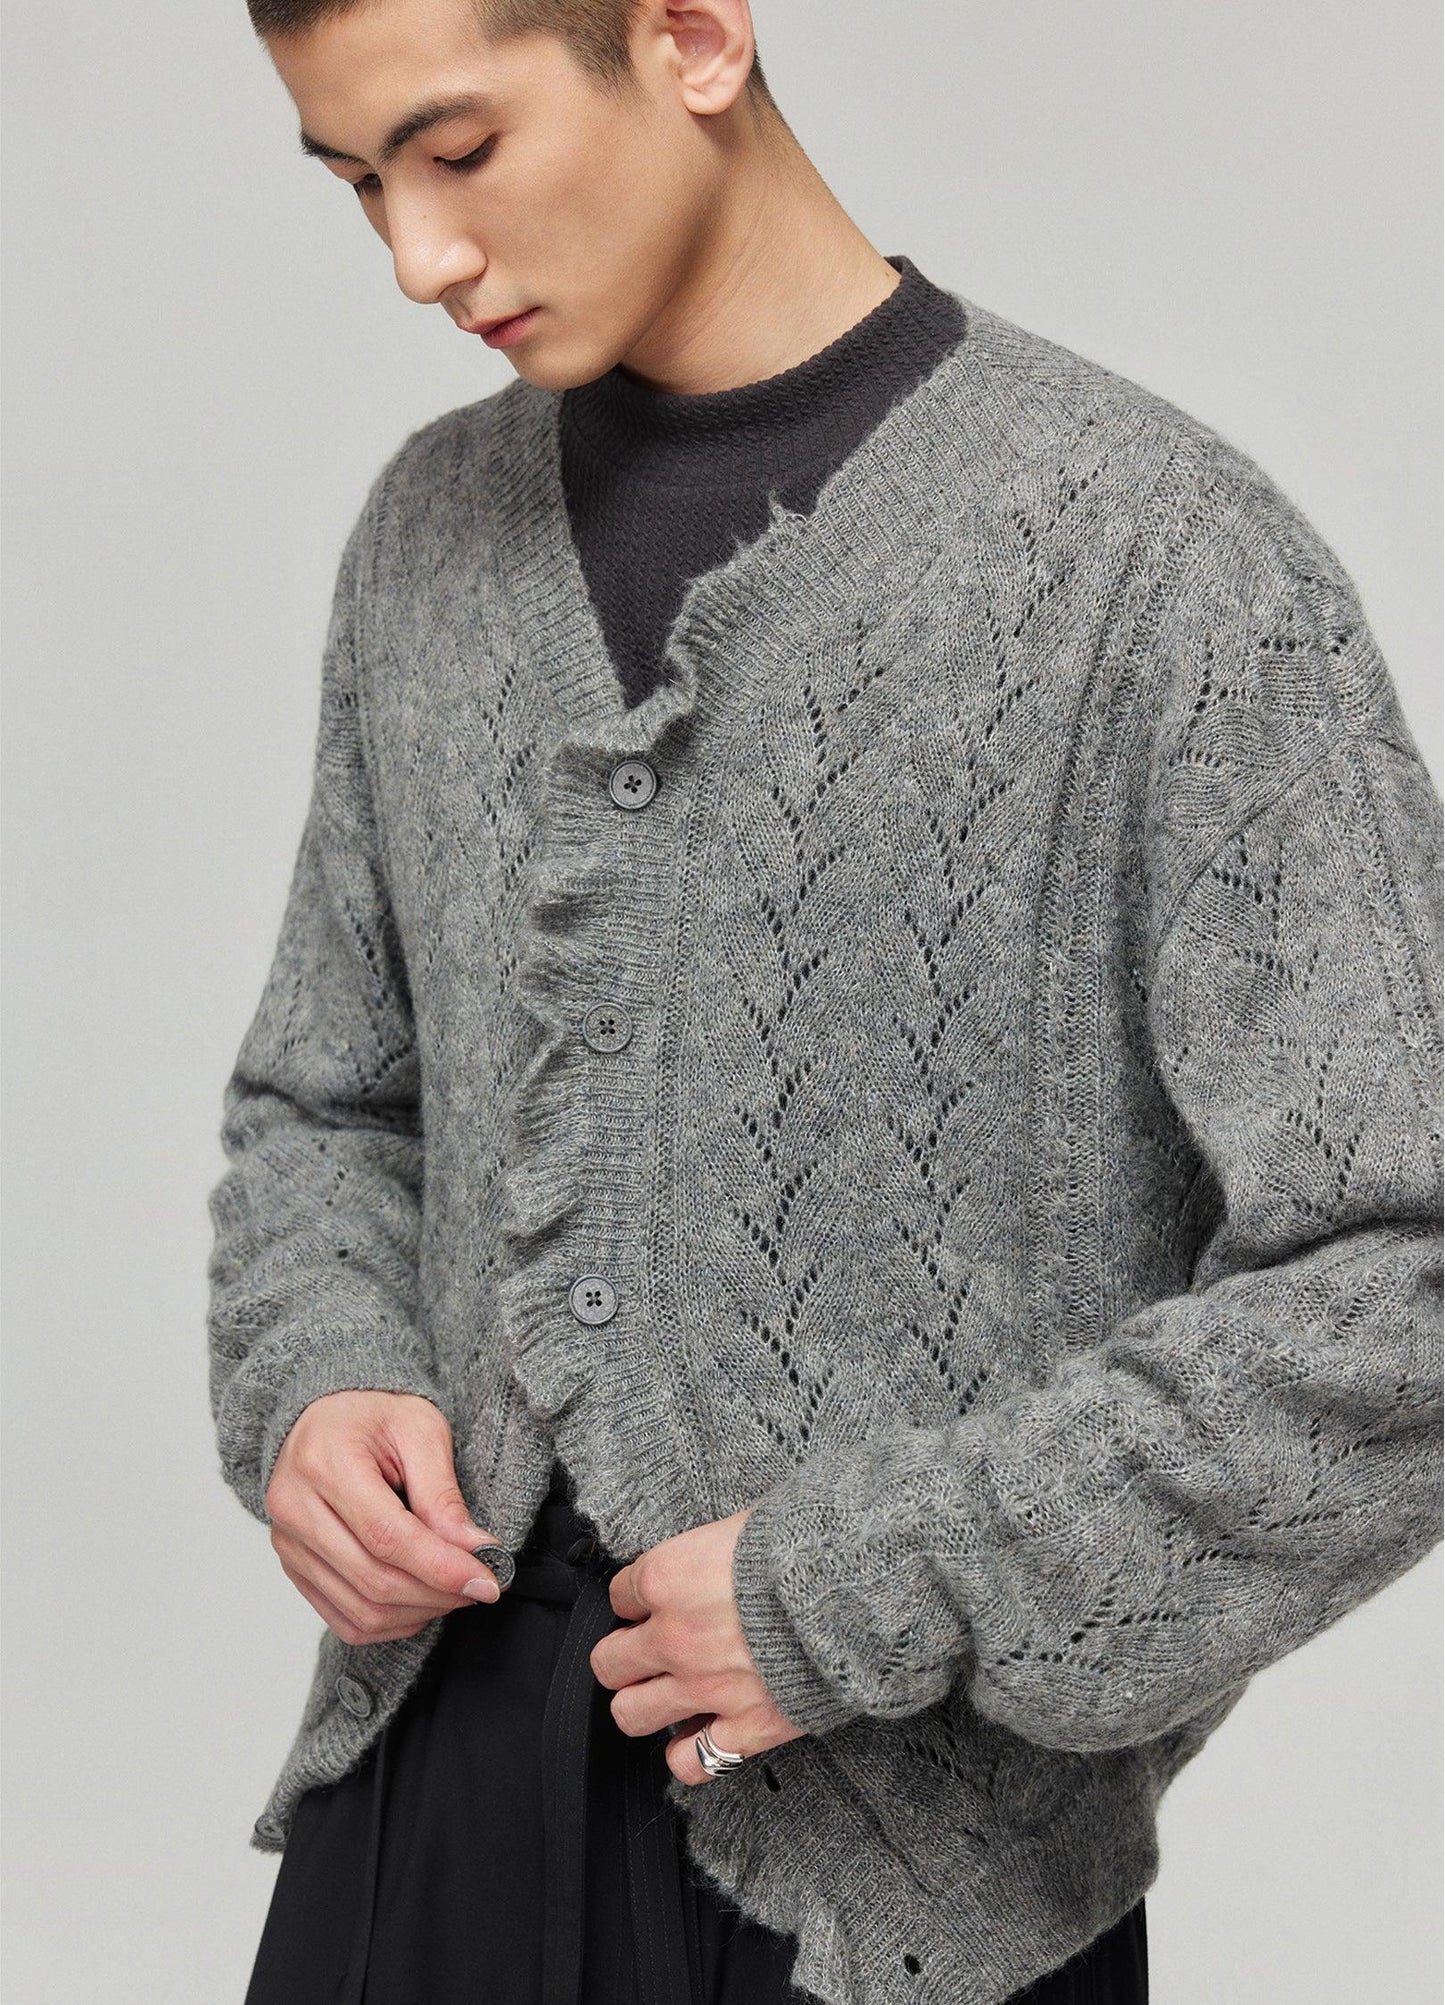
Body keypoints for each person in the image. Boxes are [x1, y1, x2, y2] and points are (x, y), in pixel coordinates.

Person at [206, 2, 1444, 2002]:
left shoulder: (1158, 563)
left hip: (900, 1884)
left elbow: (1410, 1271)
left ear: (690, 36)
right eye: (359, 184)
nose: (418, 256)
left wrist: (871, 1580)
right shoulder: (427, 537)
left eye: (457, 150)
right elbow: (333, 1100)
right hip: (424, 1792)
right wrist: (323, 1372)